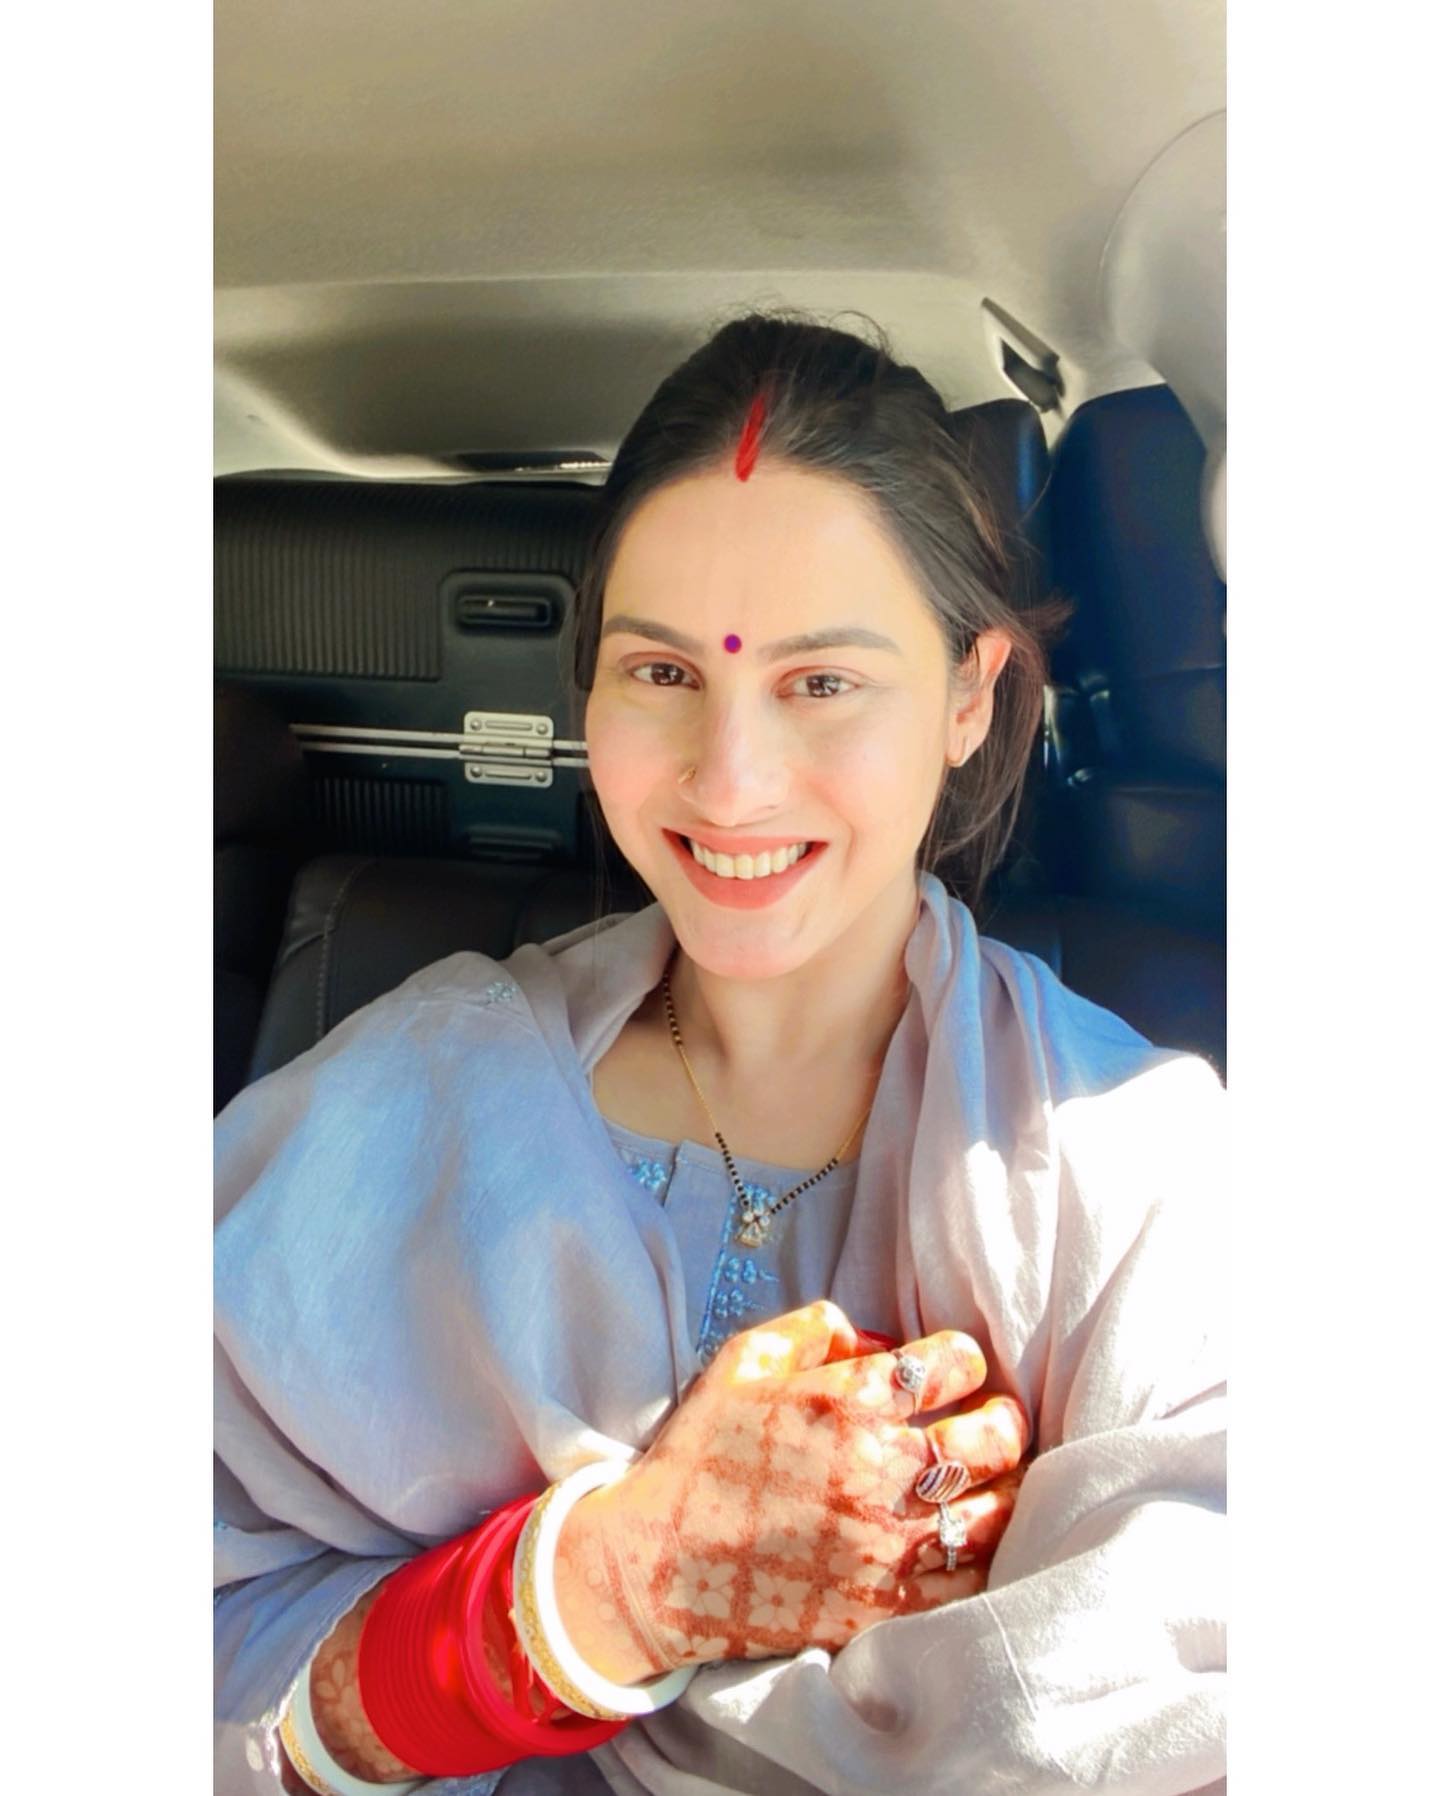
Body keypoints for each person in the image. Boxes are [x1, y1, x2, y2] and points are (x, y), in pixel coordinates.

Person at [215, 314, 1225, 1796]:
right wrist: (603, 1592)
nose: (732, 784)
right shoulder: (399, 1104)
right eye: (662, 672)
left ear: (969, 696)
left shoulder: (1136, 1175)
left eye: (821, 683)